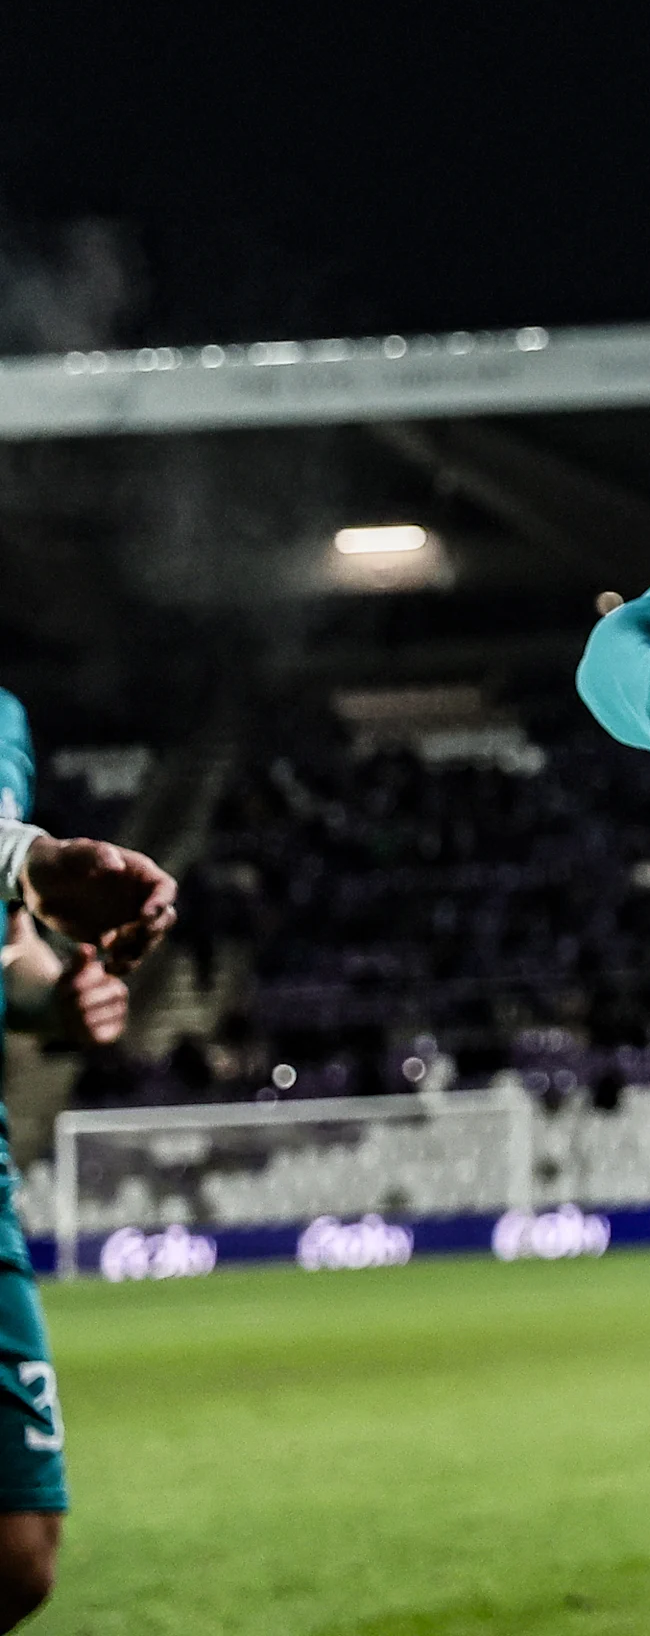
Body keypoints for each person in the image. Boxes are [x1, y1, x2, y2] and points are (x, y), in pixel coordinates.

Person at [0, 687, 183, 1627]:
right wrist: (24, 858)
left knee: (15, 1553)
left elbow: (9, 952)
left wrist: (58, 998)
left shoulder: (2, 720)